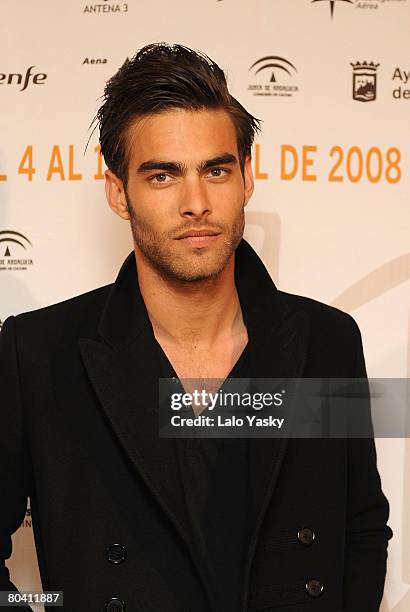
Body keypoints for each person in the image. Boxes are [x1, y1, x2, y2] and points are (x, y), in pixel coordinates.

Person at [0, 43, 392, 612]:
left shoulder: (326, 342)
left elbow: (360, 529)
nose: (196, 202)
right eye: (163, 176)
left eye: (216, 169)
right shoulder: (36, 353)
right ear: (118, 192)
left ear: (247, 180)